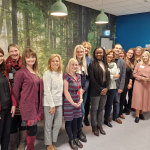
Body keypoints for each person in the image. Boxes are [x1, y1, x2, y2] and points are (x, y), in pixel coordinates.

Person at [13, 48, 43, 150]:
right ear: (24, 59)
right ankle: (30, 148)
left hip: (37, 105)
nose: (31, 59)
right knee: (32, 129)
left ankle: (29, 147)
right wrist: (22, 104)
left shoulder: (36, 71)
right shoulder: (21, 72)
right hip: (28, 106)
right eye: (28, 57)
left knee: (31, 129)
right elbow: (16, 91)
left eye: (33, 56)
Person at [5, 43, 26, 150]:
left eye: (16, 51)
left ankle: (22, 143)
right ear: (9, 52)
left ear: (19, 51)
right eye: (11, 51)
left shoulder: (25, 64)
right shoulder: (4, 65)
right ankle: (14, 144)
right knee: (12, 121)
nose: (14, 53)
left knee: (23, 120)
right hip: (10, 98)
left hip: (23, 98)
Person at [88, 46, 110, 136]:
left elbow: (108, 77)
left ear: (103, 53)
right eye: (97, 53)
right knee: (94, 109)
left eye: (100, 52)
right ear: (94, 54)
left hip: (105, 90)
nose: (99, 54)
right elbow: (91, 78)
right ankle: (94, 127)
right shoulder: (92, 64)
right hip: (95, 90)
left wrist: (107, 88)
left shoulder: (106, 64)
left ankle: (99, 125)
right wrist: (100, 89)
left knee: (101, 108)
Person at [43, 54, 63, 150]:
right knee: (48, 124)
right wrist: (52, 105)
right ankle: (48, 144)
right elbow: (47, 91)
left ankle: (53, 141)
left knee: (58, 124)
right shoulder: (47, 74)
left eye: (57, 61)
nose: (55, 63)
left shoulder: (60, 73)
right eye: (53, 61)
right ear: (50, 63)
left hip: (59, 103)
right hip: (49, 103)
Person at [63, 58, 83, 150]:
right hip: (69, 102)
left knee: (75, 121)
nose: (74, 66)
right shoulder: (66, 76)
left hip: (77, 101)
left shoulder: (78, 75)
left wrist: (81, 99)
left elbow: (79, 89)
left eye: (76, 65)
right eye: (72, 64)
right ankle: (71, 139)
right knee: (69, 121)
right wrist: (73, 103)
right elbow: (66, 92)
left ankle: (75, 138)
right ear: (69, 65)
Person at [0, 48, 16, 150]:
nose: (0, 58)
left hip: (8, 108)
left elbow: (10, 89)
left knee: (6, 135)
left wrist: (14, 104)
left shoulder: (4, 71)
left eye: (1, 55)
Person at [73, 45, 89, 142]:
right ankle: (76, 130)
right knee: (79, 111)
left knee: (81, 111)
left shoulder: (85, 63)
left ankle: (79, 130)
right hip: (75, 92)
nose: (80, 53)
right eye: (78, 52)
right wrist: (79, 90)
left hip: (84, 91)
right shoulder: (72, 63)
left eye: (81, 52)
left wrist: (84, 89)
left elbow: (87, 78)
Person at [132, 51, 150, 123]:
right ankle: (137, 116)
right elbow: (134, 74)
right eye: (143, 56)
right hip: (139, 83)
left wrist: (148, 79)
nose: (144, 57)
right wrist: (141, 78)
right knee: (138, 99)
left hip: (147, 84)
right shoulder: (138, 64)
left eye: (146, 56)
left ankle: (141, 113)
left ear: (148, 57)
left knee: (144, 98)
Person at [104, 49, 119, 128]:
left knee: (109, 104)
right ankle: (99, 120)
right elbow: (103, 76)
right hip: (104, 87)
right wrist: (113, 76)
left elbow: (118, 76)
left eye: (112, 54)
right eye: (109, 54)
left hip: (112, 87)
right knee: (102, 105)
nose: (110, 55)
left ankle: (106, 119)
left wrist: (110, 76)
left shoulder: (114, 64)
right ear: (106, 55)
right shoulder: (103, 64)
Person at [112, 44, 126, 124]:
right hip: (109, 85)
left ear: (121, 50)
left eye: (119, 48)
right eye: (116, 48)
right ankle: (107, 117)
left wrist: (121, 87)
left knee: (117, 102)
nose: (118, 49)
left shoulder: (122, 62)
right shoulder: (109, 59)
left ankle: (115, 116)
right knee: (108, 102)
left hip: (118, 85)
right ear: (113, 48)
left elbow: (123, 75)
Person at [119, 49, 134, 119]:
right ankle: (119, 110)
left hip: (126, 82)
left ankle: (122, 111)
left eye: (132, 53)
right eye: (129, 53)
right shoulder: (121, 61)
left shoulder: (128, 62)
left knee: (123, 97)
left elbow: (131, 74)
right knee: (120, 98)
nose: (130, 54)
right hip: (119, 82)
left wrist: (130, 83)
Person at [81, 41, 92, 126]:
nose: (86, 49)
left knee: (87, 102)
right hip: (79, 84)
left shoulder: (90, 59)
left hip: (88, 84)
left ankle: (86, 118)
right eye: (85, 47)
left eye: (88, 48)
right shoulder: (78, 58)